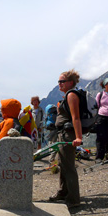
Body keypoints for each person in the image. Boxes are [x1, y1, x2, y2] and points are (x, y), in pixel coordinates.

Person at [49, 69, 82, 208]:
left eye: (62, 81)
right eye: (58, 81)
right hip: (63, 133)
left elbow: (76, 117)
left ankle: (73, 199)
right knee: (63, 164)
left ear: (70, 82)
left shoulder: (72, 95)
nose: (59, 84)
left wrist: (79, 137)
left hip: (68, 134)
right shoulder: (67, 96)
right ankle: (63, 192)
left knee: (68, 166)